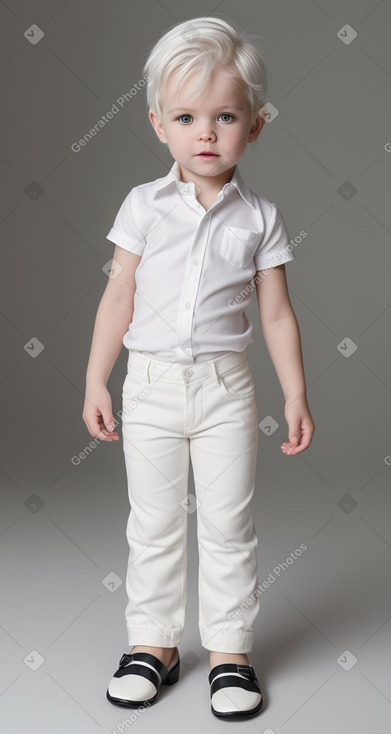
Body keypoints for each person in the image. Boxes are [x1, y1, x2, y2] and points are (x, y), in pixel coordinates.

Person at [82, 16, 315, 719]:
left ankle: (229, 653)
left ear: (255, 125)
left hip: (225, 391)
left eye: (224, 117)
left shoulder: (260, 218)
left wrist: (296, 394)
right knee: (151, 523)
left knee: (227, 525)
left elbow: (275, 312)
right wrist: (96, 377)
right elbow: (118, 292)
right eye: (186, 117)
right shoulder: (142, 207)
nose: (205, 133)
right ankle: (151, 645)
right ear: (158, 124)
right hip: (150, 386)